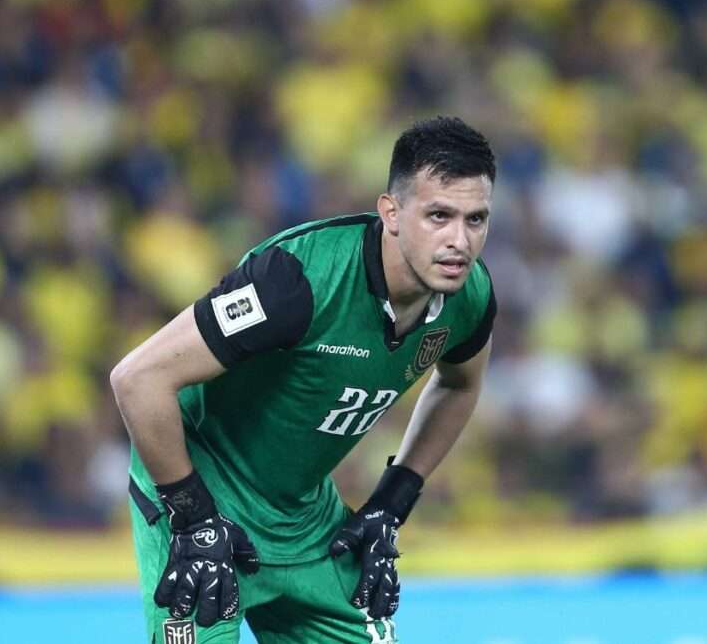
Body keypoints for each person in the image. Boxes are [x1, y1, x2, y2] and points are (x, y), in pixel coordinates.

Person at [110, 116, 498, 644]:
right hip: (203, 498)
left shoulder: (470, 298)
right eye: (438, 215)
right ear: (391, 213)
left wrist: (392, 503)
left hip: (302, 516)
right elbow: (138, 378)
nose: (459, 241)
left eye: (476, 220)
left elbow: (459, 384)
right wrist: (192, 517)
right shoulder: (296, 282)